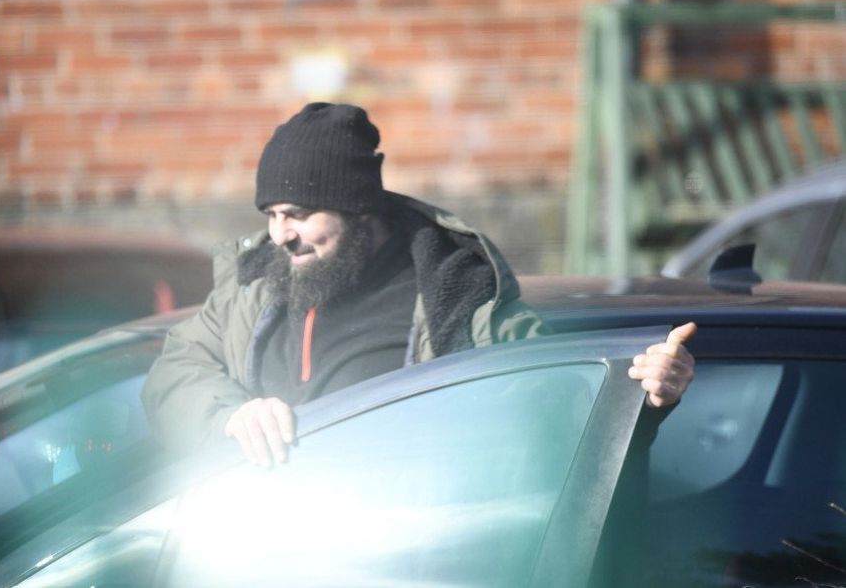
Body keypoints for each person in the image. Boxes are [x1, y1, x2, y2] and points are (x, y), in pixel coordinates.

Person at [141, 102, 696, 466]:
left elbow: (558, 399)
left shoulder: (453, 293)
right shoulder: (254, 285)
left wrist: (646, 396)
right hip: (262, 548)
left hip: (400, 552)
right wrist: (228, 413)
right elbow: (174, 370)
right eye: (270, 214)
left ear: (359, 209)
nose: (279, 234)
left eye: (298, 214)